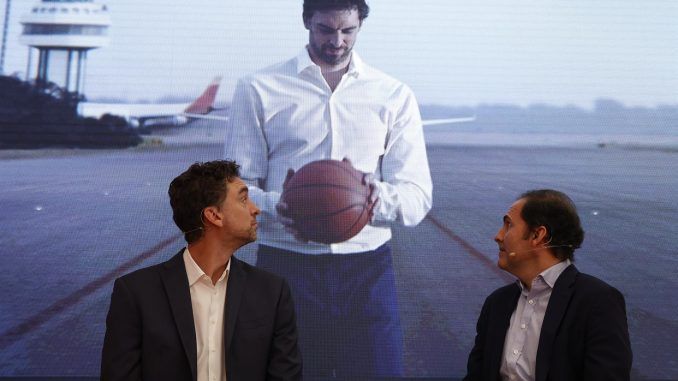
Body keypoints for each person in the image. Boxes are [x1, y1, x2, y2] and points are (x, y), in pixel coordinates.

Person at [223, 0, 432, 377]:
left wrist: (372, 198)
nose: (336, 41)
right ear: (307, 22)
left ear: (360, 25)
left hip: (366, 266)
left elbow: (417, 196)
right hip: (286, 266)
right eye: (325, 29)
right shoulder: (258, 88)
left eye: (347, 30)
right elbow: (235, 188)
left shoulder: (393, 94)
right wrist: (276, 205)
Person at [101, 160, 302, 381]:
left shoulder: (272, 291)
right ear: (214, 215)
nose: (256, 209)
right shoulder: (135, 293)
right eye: (244, 199)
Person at [464, 189, 632, 381]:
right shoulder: (497, 303)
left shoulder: (598, 301)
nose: (498, 236)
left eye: (508, 225)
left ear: (538, 235)